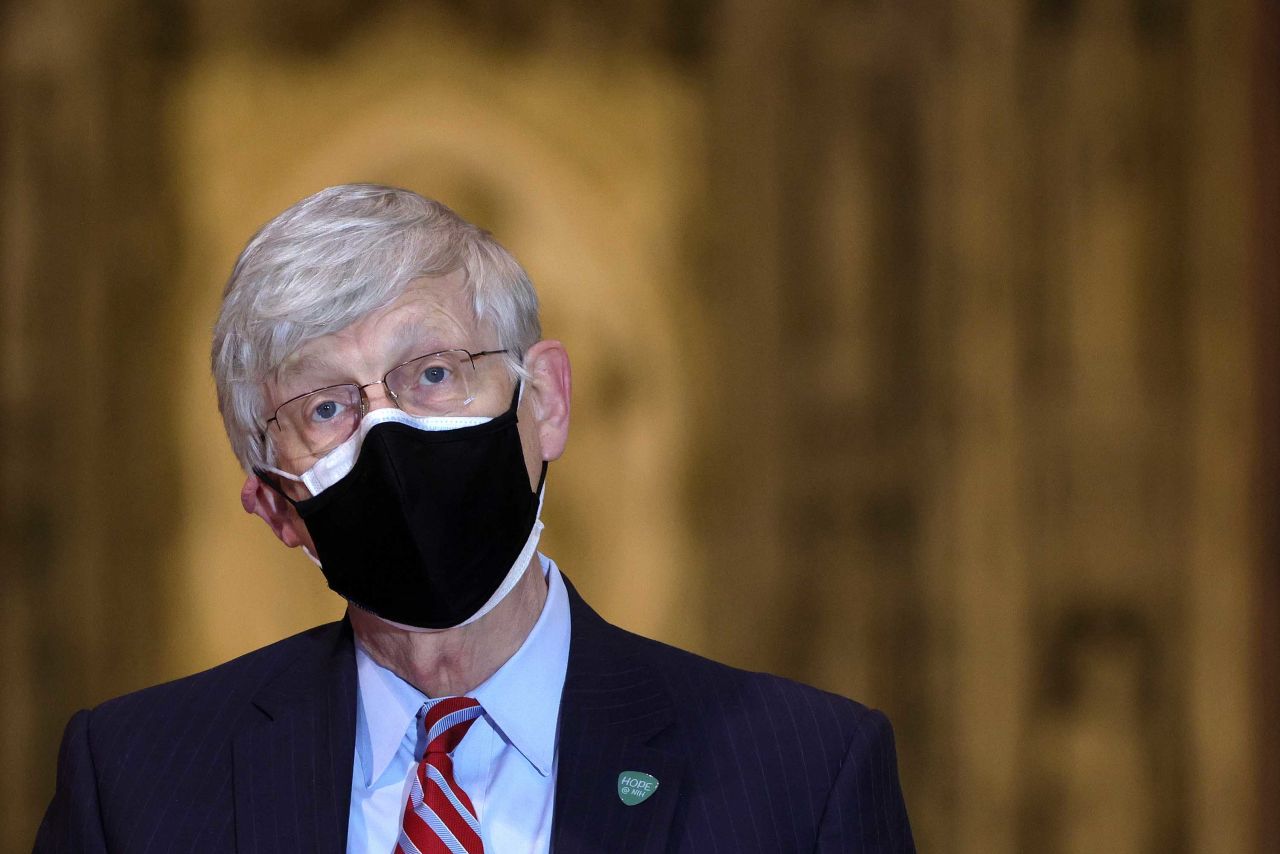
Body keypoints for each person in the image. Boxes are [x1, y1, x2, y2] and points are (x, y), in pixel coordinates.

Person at [34, 184, 914, 853]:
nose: (391, 435)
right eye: (327, 408)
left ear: (548, 403)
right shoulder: (135, 786)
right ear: (276, 507)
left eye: (432, 373)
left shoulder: (806, 780)